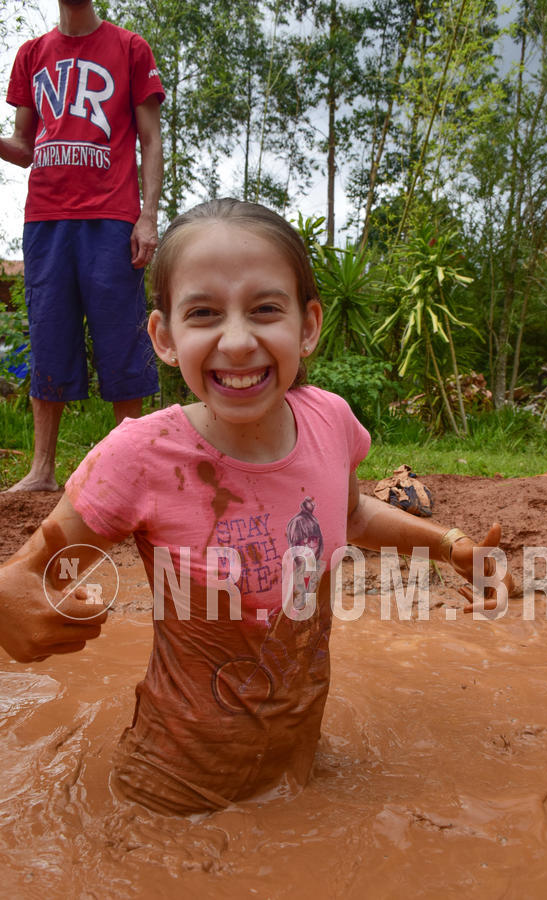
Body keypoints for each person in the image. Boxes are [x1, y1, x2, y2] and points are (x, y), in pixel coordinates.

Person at [0, 199, 512, 816]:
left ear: (308, 325)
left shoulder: (329, 421)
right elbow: (29, 573)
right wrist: (9, 602)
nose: (238, 342)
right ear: (165, 337)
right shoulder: (141, 454)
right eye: (204, 313)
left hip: (296, 762)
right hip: (175, 793)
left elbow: (349, 515)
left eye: (266, 309)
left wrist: (449, 545)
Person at [0, 0, 164, 492]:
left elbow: (151, 139)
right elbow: (24, 147)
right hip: (45, 220)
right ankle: (42, 470)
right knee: (48, 333)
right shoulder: (32, 54)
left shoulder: (130, 48)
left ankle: (128, 470)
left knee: (122, 337)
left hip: (112, 218)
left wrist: (148, 217)